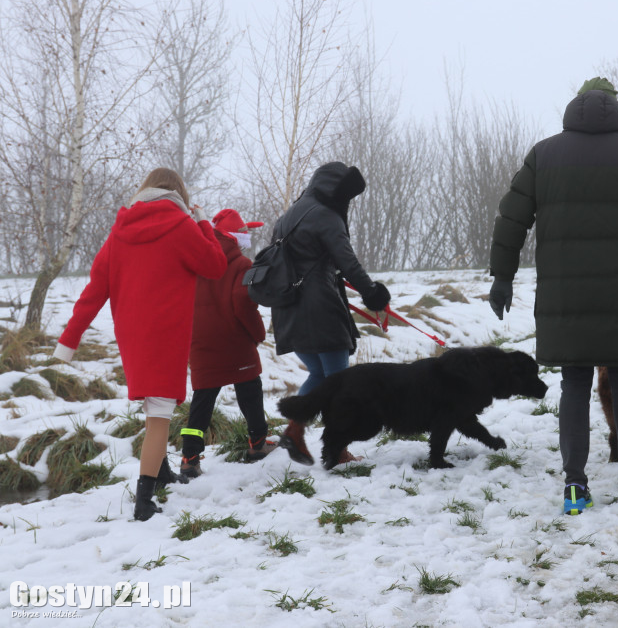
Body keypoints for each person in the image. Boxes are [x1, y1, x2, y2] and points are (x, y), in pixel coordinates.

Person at [488, 77, 618, 513]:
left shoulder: (544, 154)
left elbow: (510, 220)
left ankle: (575, 487)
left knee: (574, 382)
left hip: (565, 296)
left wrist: (502, 277)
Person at [53, 168, 226, 520]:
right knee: (159, 418)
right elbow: (215, 265)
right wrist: (204, 222)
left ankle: (161, 473)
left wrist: (67, 342)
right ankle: (144, 502)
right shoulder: (182, 227)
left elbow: (95, 290)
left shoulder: (120, 231)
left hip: (134, 337)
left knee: (154, 409)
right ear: (179, 195)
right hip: (167, 336)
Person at [273, 162, 391, 467]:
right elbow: (347, 261)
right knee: (340, 384)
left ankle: (294, 431)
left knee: (321, 374)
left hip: (289, 309)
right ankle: (336, 451)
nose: (347, 203)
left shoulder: (291, 215)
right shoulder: (326, 215)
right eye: (347, 196)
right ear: (335, 192)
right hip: (320, 309)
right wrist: (372, 293)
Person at [181, 209, 275, 478]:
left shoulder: (196, 260)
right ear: (236, 237)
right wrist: (258, 334)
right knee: (250, 391)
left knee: (202, 401)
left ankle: (190, 458)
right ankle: (257, 443)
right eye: (244, 232)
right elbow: (243, 305)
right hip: (235, 341)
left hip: (200, 341)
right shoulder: (241, 264)